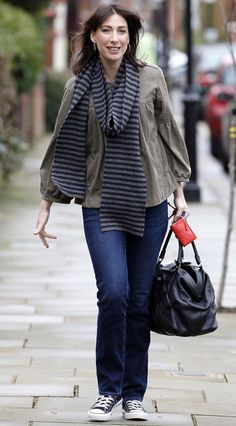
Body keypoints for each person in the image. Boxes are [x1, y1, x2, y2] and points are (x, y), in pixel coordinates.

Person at [34, 4, 191, 422]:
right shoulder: (77, 87)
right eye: (107, 30)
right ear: (93, 36)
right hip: (100, 202)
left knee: (138, 302)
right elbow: (61, 144)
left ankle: (133, 393)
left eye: (122, 31)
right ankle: (108, 390)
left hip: (152, 201)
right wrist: (46, 201)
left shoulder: (150, 77)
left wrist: (180, 191)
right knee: (115, 295)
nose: (115, 38)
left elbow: (168, 135)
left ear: (130, 36)